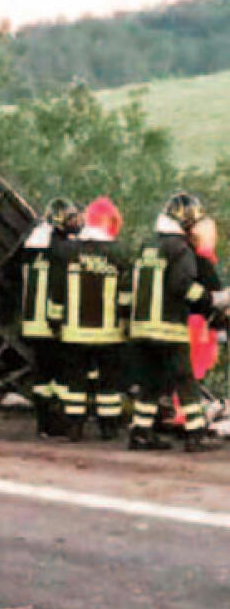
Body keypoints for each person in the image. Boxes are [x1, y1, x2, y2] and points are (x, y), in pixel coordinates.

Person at [126, 193, 228, 452]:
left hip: (141, 327)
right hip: (168, 327)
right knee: (185, 379)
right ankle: (196, 435)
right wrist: (208, 300)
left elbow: (130, 286)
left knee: (150, 383)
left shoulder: (148, 246)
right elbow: (182, 286)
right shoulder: (180, 249)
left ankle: (140, 432)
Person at [52, 197, 127, 441]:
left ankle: (74, 427)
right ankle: (109, 428)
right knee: (109, 382)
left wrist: (55, 322)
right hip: (109, 333)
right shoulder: (118, 254)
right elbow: (126, 295)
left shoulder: (68, 252)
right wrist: (126, 324)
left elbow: (58, 291)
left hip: (74, 332)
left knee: (75, 380)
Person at [18, 198, 80, 438]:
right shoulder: (59, 250)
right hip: (51, 323)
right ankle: (59, 422)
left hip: (32, 322)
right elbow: (58, 286)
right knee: (61, 375)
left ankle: (43, 422)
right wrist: (57, 318)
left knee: (41, 375)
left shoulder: (29, 249)